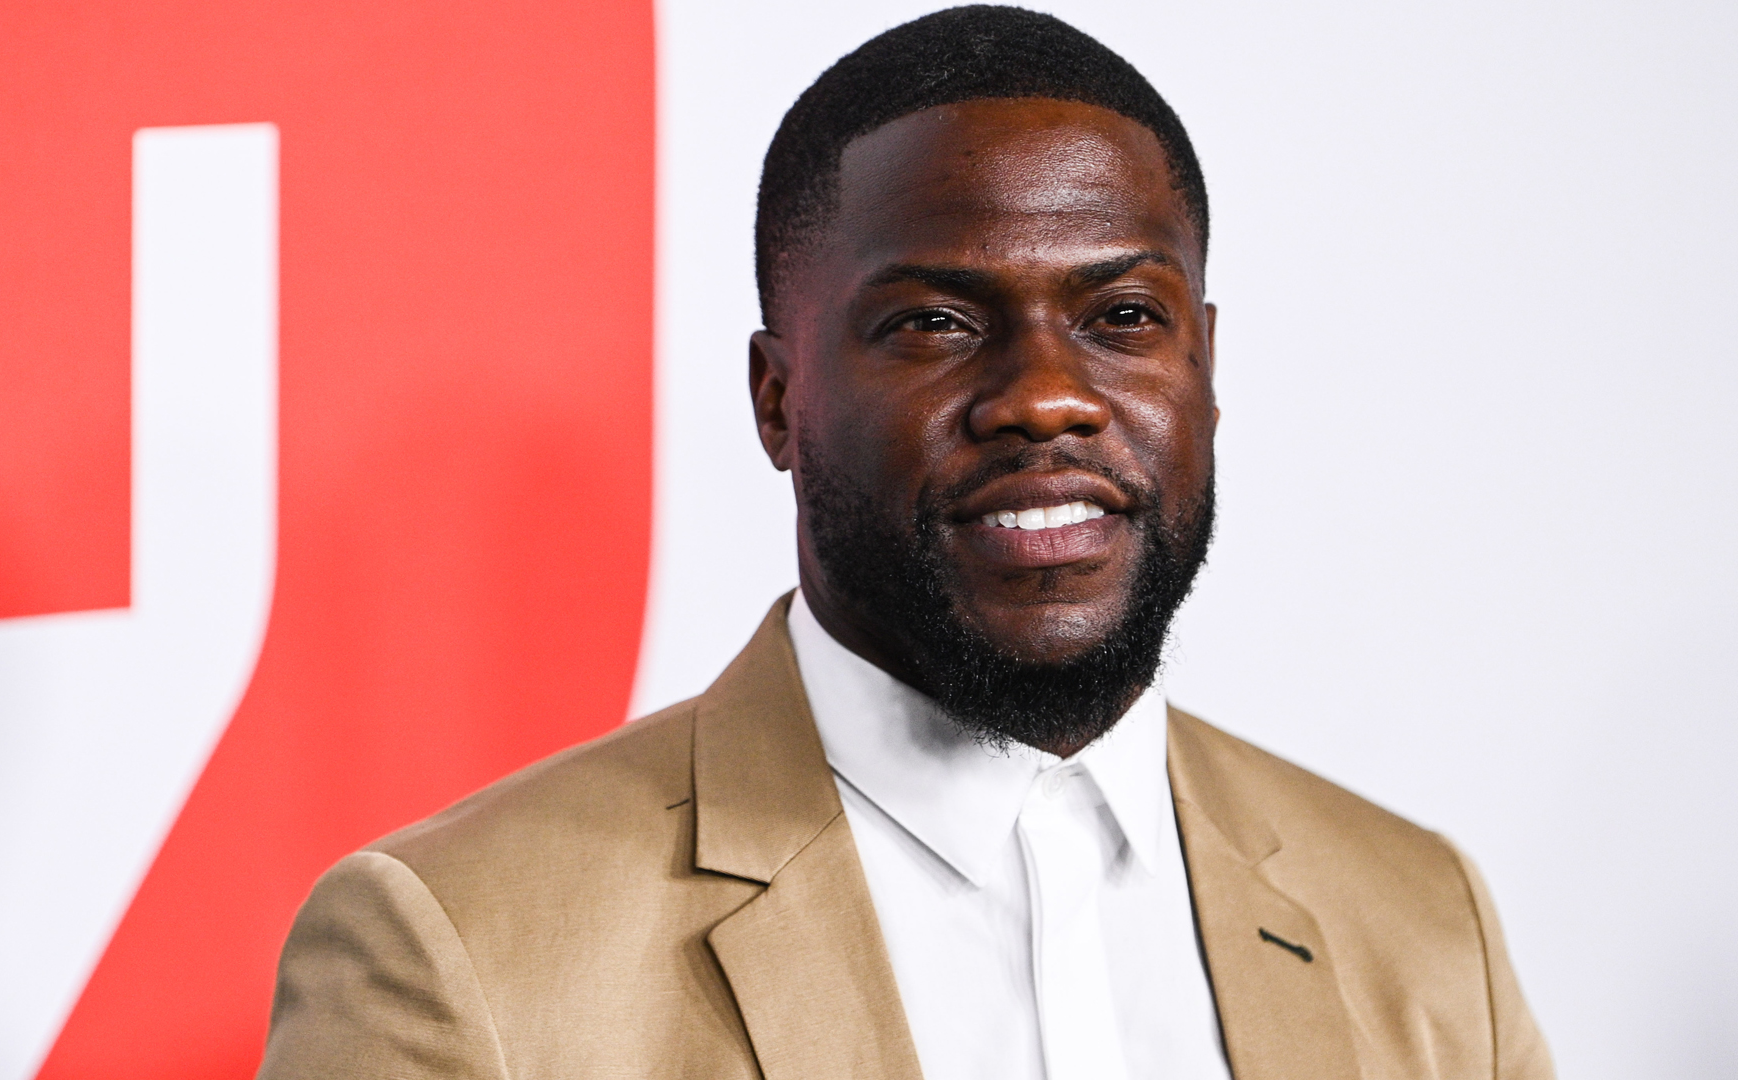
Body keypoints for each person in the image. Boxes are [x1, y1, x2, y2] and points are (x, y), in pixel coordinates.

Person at [256, 7, 1553, 1078]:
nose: (1048, 395)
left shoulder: (1425, 923)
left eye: (1122, 314)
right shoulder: (457, 958)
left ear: (1206, 367)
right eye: (935, 322)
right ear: (779, 400)